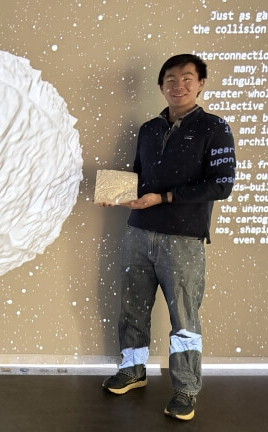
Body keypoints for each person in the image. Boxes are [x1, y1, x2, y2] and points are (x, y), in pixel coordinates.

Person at [98, 54, 235, 421]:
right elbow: (139, 178)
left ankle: (187, 389)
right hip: (138, 232)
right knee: (132, 307)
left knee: (185, 317)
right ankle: (133, 369)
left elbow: (221, 186)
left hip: (184, 239)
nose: (179, 85)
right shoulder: (148, 129)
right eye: (171, 79)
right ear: (161, 86)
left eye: (187, 78)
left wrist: (166, 197)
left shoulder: (215, 127)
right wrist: (119, 193)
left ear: (201, 83)